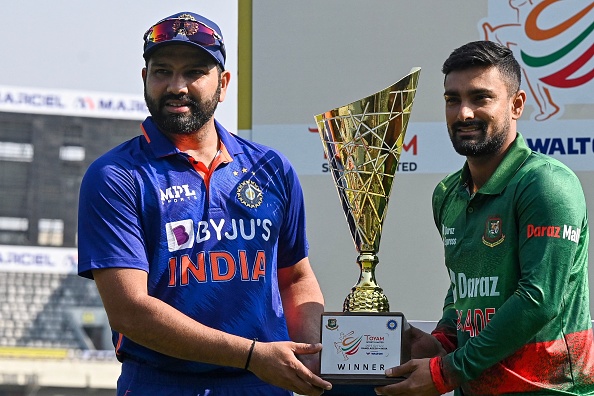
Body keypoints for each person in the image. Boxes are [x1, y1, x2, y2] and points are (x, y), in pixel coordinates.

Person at [77, 11, 332, 396]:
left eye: (194, 72)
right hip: (161, 384)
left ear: (223, 84)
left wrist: (310, 352)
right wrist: (251, 355)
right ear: (145, 79)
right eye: (162, 71)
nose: (176, 86)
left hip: (263, 385)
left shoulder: (271, 168)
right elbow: (130, 310)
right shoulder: (115, 175)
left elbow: (295, 276)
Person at [375, 40, 594, 395]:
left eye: (480, 98)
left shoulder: (546, 183)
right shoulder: (448, 193)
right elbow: (462, 288)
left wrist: (446, 371)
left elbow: (538, 300)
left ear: (516, 104)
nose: (463, 113)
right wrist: (442, 342)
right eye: (452, 99)